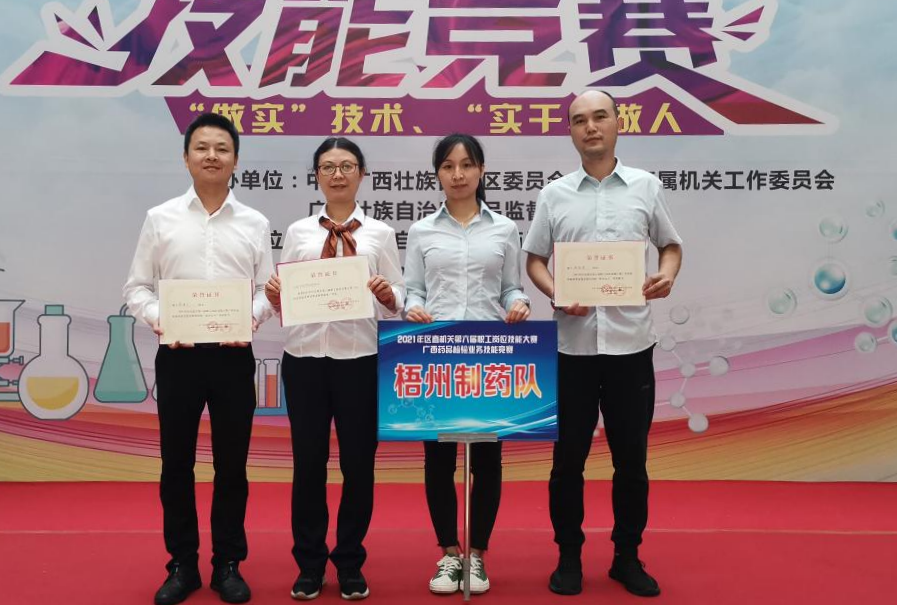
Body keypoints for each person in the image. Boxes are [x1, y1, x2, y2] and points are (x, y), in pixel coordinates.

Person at [522, 90, 683, 598]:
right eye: (579, 120)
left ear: (618, 123)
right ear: (570, 131)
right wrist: (556, 291)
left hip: (631, 347)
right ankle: (568, 556)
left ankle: (626, 556)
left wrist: (666, 275)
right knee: (567, 462)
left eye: (599, 117)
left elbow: (670, 245)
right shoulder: (554, 195)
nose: (590, 127)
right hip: (572, 349)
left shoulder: (646, 187)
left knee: (630, 461)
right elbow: (534, 260)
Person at [124, 113, 275, 605]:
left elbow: (268, 292)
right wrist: (162, 319)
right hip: (178, 357)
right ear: (186, 157)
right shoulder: (160, 218)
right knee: (176, 465)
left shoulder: (255, 223)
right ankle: (182, 564)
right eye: (202, 147)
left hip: (233, 359)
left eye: (222, 148)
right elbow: (136, 288)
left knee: (232, 466)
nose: (212, 156)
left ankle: (228, 563)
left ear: (236, 160)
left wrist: (248, 320)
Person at [264, 137, 405, 601]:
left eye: (347, 166)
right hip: (304, 359)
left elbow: (399, 297)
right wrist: (276, 294)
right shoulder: (299, 231)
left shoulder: (380, 233)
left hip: (358, 360)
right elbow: (287, 293)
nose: (338, 174)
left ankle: (349, 562)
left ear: (362, 174)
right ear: (317, 176)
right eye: (328, 167)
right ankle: (309, 564)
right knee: (308, 465)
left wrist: (388, 294)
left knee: (358, 465)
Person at [403, 134, 530, 595]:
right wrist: (412, 308)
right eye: (448, 166)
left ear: (481, 170)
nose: (457, 174)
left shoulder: (505, 229)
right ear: (437, 173)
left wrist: (518, 304)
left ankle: (477, 555)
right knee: (438, 460)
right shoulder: (421, 231)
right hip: (437, 355)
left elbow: (511, 287)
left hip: (487, 353)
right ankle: (448, 555)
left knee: (487, 461)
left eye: (467, 165)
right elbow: (413, 289)